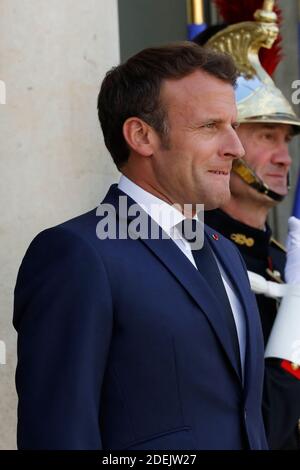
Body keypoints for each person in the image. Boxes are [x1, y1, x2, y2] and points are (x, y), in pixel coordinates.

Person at [13, 41, 267, 450]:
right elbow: (58, 434)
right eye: (210, 126)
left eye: (233, 126)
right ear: (141, 136)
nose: (235, 148)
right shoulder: (78, 254)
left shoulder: (226, 253)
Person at [194, 0, 300, 449]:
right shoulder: (198, 254)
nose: (284, 156)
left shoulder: (280, 257)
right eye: (266, 137)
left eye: (286, 139)